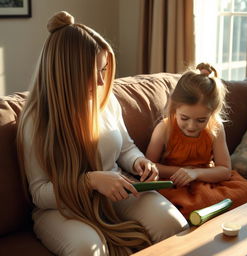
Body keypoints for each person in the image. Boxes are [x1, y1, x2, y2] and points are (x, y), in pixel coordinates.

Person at [16, 11, 188, 256]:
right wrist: (91, 181)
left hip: (117, 193)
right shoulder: (34, 120)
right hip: (61, 208)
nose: (100, 82)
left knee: (173, 224)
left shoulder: (105, 101)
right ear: (67, 73)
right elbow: (41, 194)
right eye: (92, 71)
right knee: (89, 249)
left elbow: (127, 148)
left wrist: (140, 162)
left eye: (104, 69)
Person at [146, 63, 247, 219]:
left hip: (205, 177)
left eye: (201, 120)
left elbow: (224, 169)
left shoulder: (215, 128)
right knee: (193, 207)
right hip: (175, 183)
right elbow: (150, 167)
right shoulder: (164, 128)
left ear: (212, 113)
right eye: (184, 118)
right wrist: (181, 173)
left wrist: (195, 173)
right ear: (174, 108)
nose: (191, 126)